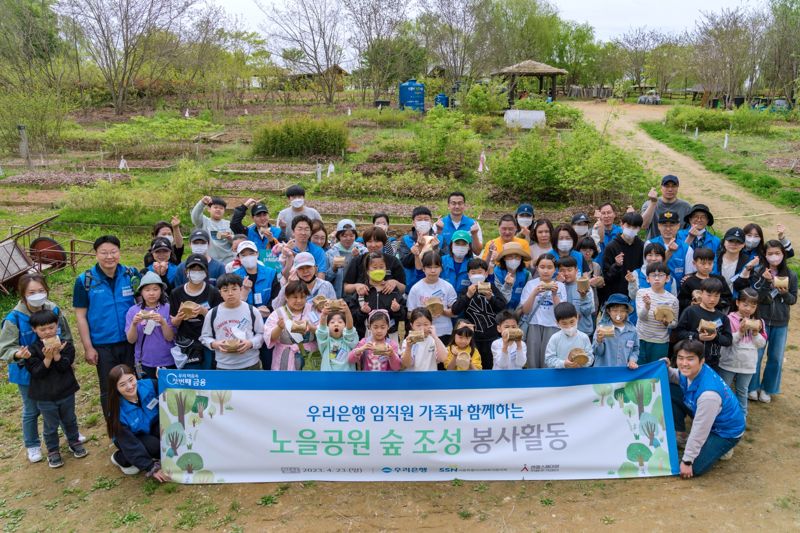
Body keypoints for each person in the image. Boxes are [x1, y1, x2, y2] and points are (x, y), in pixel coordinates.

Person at [0, 273, 75, 463]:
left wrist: (65, 352)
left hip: (55, 368)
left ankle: (71, 435)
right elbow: (5, 348)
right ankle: (32, 445)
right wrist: (18, 354)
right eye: (32, 292)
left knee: (63, 403)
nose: (37, 295)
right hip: (27, 372)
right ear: (23, 294)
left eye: (41, 290)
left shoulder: (53, 309)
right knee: (32, 409)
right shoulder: (14, 318)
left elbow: (66, 335)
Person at [74, 235, 139, 416]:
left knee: (133, 383)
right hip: (103, 345)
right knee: (109, 387)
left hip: (130, 341)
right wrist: (88, 347)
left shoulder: (131, 275)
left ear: (119, 252)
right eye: (104, 253)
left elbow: (143, 303)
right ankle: (115, 428)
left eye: (113, 252)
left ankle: (134, 421)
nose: (109, 257)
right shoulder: (85, 281)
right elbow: (80, 317)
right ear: (96, 254)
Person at [667, 339, 745, 478]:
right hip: (706, 413)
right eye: (680, 358)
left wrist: (687, 460)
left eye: (690, 359)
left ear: (701, 361)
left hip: (724, 431)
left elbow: (700, 429)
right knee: (671, 388)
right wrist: (664, 368)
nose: (684, 363)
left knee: (694, 468)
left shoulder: (709, 395)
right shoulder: (690, 372)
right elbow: (674, 376)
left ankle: (724, 447)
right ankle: (682, 436)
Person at [24, 310, 87, 468]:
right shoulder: (31, 350)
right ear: (34, 330)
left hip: (66, 391)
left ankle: (74, 441)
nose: (47, 332)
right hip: (45, 395)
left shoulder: (66, 345)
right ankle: (53, 450)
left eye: (51, 328)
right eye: (42, 329)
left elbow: (65, 366)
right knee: (50, 425)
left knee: (70, 419)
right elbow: (37, 372)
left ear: (57, 326)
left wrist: (58, 355)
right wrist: (48, 358)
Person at [738, 239, 797, 403]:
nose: (774, 256)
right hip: (761, 320)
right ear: (765, 254)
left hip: (781, 321)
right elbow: (755, 297)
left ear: (783, 254)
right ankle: (753, 387)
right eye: (770, 253)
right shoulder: (758, 272)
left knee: (776, 358)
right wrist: (765, 282)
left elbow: (792, 300)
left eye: (777, 253)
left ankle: (768, 389)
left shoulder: (790, 274)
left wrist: (783, 292)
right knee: (756, 355)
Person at [106, 365, 170, 481]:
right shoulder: (117, 412)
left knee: (168, 435)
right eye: (122, 384)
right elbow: (129, 443)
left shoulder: (150, 385)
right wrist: (151, 467)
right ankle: (120, 458)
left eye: (131, 380)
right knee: (155, 447)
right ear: (115, 388)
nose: (130, 386)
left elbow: (171, 392)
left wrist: (164, 379)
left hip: (152, 425)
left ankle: (145, 454)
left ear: (135, 377)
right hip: (130, 438)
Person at [199, 273, 265, 370]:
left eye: (234, 289)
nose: (230, 293)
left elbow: (261, 334)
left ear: (241, 289)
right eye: (225, 290)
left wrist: (250, 343)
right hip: (223, 366)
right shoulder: (213, 313)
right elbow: (205, 337)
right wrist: (215, 344)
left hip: (251, 364)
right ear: (220, 292)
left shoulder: (252, 310)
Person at [451, 258, 507, 369]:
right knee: (473, 365)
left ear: (486, 273)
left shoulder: (491, 288)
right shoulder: (465, 290)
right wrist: (467, 296)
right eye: (473, 273)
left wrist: (491, 298)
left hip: (491, 337)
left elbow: (502, 306)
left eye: (480, 272)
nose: (476, 275)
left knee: (489, 366)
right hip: (472, 338)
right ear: (468, 274)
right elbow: (455, 310)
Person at [169, 254, 222, 370]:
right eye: (193, 269)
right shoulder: (176, 293)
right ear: (186, 271)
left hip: (208, 342)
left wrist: (204, 312)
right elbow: (174, 322)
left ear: (206, 272)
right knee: (192, 378)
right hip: (187, 343)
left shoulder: (213, 292)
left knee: (208, 377)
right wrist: (179, 317)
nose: (196, 272)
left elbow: (219, 321)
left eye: (200, 269)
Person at [718, 288, 766, 417]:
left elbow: (761, 344)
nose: (748, 309)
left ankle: (741, 418)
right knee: (725, 390)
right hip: (729, 362)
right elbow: (727, 340)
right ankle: (721, 416)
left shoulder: (759, 322)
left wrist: (755, 333)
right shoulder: (728, 318)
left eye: (753, 306)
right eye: (745, 305)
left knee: (742, 391)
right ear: (738, 303)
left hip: (747, 365)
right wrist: (740, 332)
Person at [674, 278, 733, 370]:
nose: (712, 299)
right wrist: (697, 336)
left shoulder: (722, 317)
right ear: (701, 293)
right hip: (689, 359)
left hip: (712, 362)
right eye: (709, 295)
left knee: (707, 384)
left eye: (716, 296)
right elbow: (679, 333)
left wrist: (716, 337)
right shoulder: (690, 311)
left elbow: (728, 340)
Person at [125, 272, 175, 379]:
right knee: (148, 393)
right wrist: (134, 324)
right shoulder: (133, 311)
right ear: (141, 292)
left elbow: (170, 337)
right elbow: (131, 340)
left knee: (168, 394)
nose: (151, 293)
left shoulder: (168, 308)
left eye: (155, 289)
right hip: (144, 361)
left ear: (161, 291)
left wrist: (162, 322)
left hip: (168, 360)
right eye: (147, 290)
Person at [520, 253, 566, 369]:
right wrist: (534, 293)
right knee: (532, 359)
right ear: (537, 268)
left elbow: (561, 312)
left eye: (550, 267)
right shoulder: (531, 284)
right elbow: (525, 310)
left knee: (549, 360)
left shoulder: (560, 286)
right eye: (542, 267)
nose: (546, 271)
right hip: (534, 324)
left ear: (555, 269)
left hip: (553, 325)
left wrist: (555, 295)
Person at [349, 252, 405, 341]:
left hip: (390, 338)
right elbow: (352, 318)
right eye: (374, 267)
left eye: (381, 267)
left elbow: (403, 317)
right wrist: (362, 311)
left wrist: (397, 310)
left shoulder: (393, 291)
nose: (378, 270)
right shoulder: (362, 291)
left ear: (386, 269)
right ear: (367, 270)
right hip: (366, 338)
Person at [263, 280, 318, 371]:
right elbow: (269, 336)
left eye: (303, 297)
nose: (299, 301)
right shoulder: (278, 313)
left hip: (309, 356)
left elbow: (322, 330)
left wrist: (311, 327)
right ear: (287, 297)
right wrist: (279, 328)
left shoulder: (312, 310)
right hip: (285, 355)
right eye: (295, 297)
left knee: (309, 383)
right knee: (285, 383)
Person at [406, 251, 457, 344]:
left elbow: (455, 312)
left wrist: (441, 310)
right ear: (423, 268)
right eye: (429, 267)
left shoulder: (447, 287)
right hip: (423, 333)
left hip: (444, 332)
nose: (433, 271)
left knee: (443, 358)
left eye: (436, 267)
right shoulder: (416, 288)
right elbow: (409, 314)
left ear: (441, 268)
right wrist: (425, 313)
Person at [636, 262, 679, 364]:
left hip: (660, 341)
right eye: (653, 275)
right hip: (641, 338)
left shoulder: (673, 300)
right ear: (647, 279)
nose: (656, 278)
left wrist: (667, 323)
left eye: (660, 275)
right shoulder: (642, 293)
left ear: (667, 278)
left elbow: (675, 323)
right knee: (639, 369)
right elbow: (641, 317)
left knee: (656, 372)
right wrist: (647, 306)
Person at [344, 226, 406, 297]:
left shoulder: (393, 261)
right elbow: (346, 287)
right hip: (362, 304)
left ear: (383, 242)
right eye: (369, 241)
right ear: (365, 243)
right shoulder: (357, 260)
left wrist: (395, 283)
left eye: (377, 241)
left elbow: (403, 288)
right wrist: (356, 286)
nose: (373, 245)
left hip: (390, 305)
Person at [644, 210, 695, 292]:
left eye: (672, 225)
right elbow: (646, 269)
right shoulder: (649, 244)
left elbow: (688, 275)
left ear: (678, 226)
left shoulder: (687, 249)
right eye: (664, 225)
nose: (668, 229)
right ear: (658, 226)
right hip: (651, 292)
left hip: (677, 295)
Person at [601, 212, 645, 303]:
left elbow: (644, 269)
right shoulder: (611, 247)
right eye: (628, 226)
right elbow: (606, 277)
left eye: (635, 227)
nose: (631, 229)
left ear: (639, 228)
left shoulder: (642, 246)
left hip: (636, 294)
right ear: (622, 224)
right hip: (616, 296)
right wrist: (616, 265)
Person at [230, 198, 284, 272]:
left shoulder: (278, 232)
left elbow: (283, 253)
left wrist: (272, 241)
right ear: (252, 218)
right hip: (252, 270)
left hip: (274, 271)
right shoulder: (248, 231)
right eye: (258, 215)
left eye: (264, 215)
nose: (262, 218)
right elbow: (234, 224)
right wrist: (245, 206)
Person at [234, 241, 280, 324]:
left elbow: (276, 297)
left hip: (268, 320)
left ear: (257, 254)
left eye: (251, 253)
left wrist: (269, 308)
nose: (248, 257)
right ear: (238, 257)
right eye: (243, 255)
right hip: (243, 321)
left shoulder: (271, 273)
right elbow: (232, 302)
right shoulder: (234, 276)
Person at [677, 248, 733, 314]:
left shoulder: (719, 279)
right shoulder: (689, 281)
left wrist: (715, 301)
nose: (706, 267)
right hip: (696, 314)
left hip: (715, 314)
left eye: (710, 263)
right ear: (694, 263)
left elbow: (728, 299)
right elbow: (681, 300)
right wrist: (692, 303)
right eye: (703, 263)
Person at [398, 206, 438, 292]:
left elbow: (444, 262)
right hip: (412, 286)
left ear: (431, 222)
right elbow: (404, 263)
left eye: (426, 219)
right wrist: (418, 249)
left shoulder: (439, 240)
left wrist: (436, 249)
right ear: (413, 222)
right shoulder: (406, 240)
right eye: (419, 219)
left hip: (435, 286)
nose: (423, 222)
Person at [593, 294, 639, 368]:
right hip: (604, 371)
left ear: (627, 312)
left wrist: (632, 360)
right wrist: (599, 340)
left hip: (622, 371)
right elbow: (597, 352)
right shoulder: (602, 328)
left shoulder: (632, 330)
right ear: (608, 311)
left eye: (622, 311)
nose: (619, 314)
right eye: (615, 310)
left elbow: (635, 349)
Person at [544, 302, 594, 369]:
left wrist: (582, 363)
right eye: (564, 324)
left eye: (572, 322)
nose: (569, 326)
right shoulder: (555, 338)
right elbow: (549, 359)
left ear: (577, 317)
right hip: (561, 375)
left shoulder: (584, 337)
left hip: (580, 375)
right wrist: (563, 363)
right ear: (557, 323)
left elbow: (590, 357)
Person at [640, 174, 692, 239]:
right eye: (667, 186)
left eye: (673, 186)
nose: (670, 189)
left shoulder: (686, 207)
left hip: (677, 246)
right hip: (654, 247)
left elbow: (690, 230)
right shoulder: (648, 204)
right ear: (661, 188)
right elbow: (643, 226)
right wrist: (653, 203)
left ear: (677, 188)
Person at [278, 215, 328, 280]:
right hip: (291, 287)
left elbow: (321, 277)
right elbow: (285, 276)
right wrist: (289, 257)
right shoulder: (286, 248)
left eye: (307, 229)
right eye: (300, 229)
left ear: (310, 233)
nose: (303, 233)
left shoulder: (318, 251)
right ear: (293, 232)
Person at [325, 219, 366, 298]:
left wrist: (358, 258)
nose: (348, 238)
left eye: (351, 235)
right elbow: (326, 278)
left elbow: (365, 273)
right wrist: (334, 268)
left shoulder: (362, 250)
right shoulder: (330, 253)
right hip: (336, 295)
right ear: (338, 236)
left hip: (357, 295)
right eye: (344, 236)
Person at [191, 195, 234, 264]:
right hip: (209, 261)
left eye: (221, 208)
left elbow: (235, 242)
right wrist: (202, 203)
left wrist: (231, 239)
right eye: (215, 207)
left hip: (228, 261)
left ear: (224, 211)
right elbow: (195, 216)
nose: (218, 209)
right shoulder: (204, 221)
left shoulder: (229, 224)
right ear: (209, 209)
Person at [558, 256, 594, 337]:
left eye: (569, 270)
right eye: (562, 270)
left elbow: (588, 312)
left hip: (583, 332)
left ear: (576, 270)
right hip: (563, 332)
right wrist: (558, 285)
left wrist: (583, 297)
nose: (566, 273)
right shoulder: (558, 287)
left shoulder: (584, 285)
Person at [317, 303, 358, 371]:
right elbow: (322, 330)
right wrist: (323, 315)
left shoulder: (349, 340)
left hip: (347, 379)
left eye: (340, 322)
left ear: (345, 326)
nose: (336, 324)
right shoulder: (324, 342)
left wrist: (347, 312)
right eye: (332, 322)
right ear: (327, 327)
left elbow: (350, 330)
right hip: (328, 379)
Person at [492, 241, 532, 310]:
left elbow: (527, 297)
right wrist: (507, 285)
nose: (514, 260)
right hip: (499, 312)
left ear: (521, 258)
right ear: (504, 258)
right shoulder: (495, 273)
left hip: (519, 313)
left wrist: (518, 313)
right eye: (510, 256)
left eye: (517, 257)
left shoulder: (527, 275)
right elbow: (500, 300)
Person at [713, 227, 750, 297]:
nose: (734, 244)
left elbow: (747, 287)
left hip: (737, 302)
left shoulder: (748, 262)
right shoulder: (714, 259)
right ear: (724, 242)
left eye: (738, 242)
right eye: (731, 241)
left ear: (743, 245)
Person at [441, 230, 474, 294]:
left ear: (469, 247)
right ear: (451, 245)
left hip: (464, 301)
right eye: (457, 244)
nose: (460, 247)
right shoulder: (442, 261)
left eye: (464, 244)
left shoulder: (473, 264)